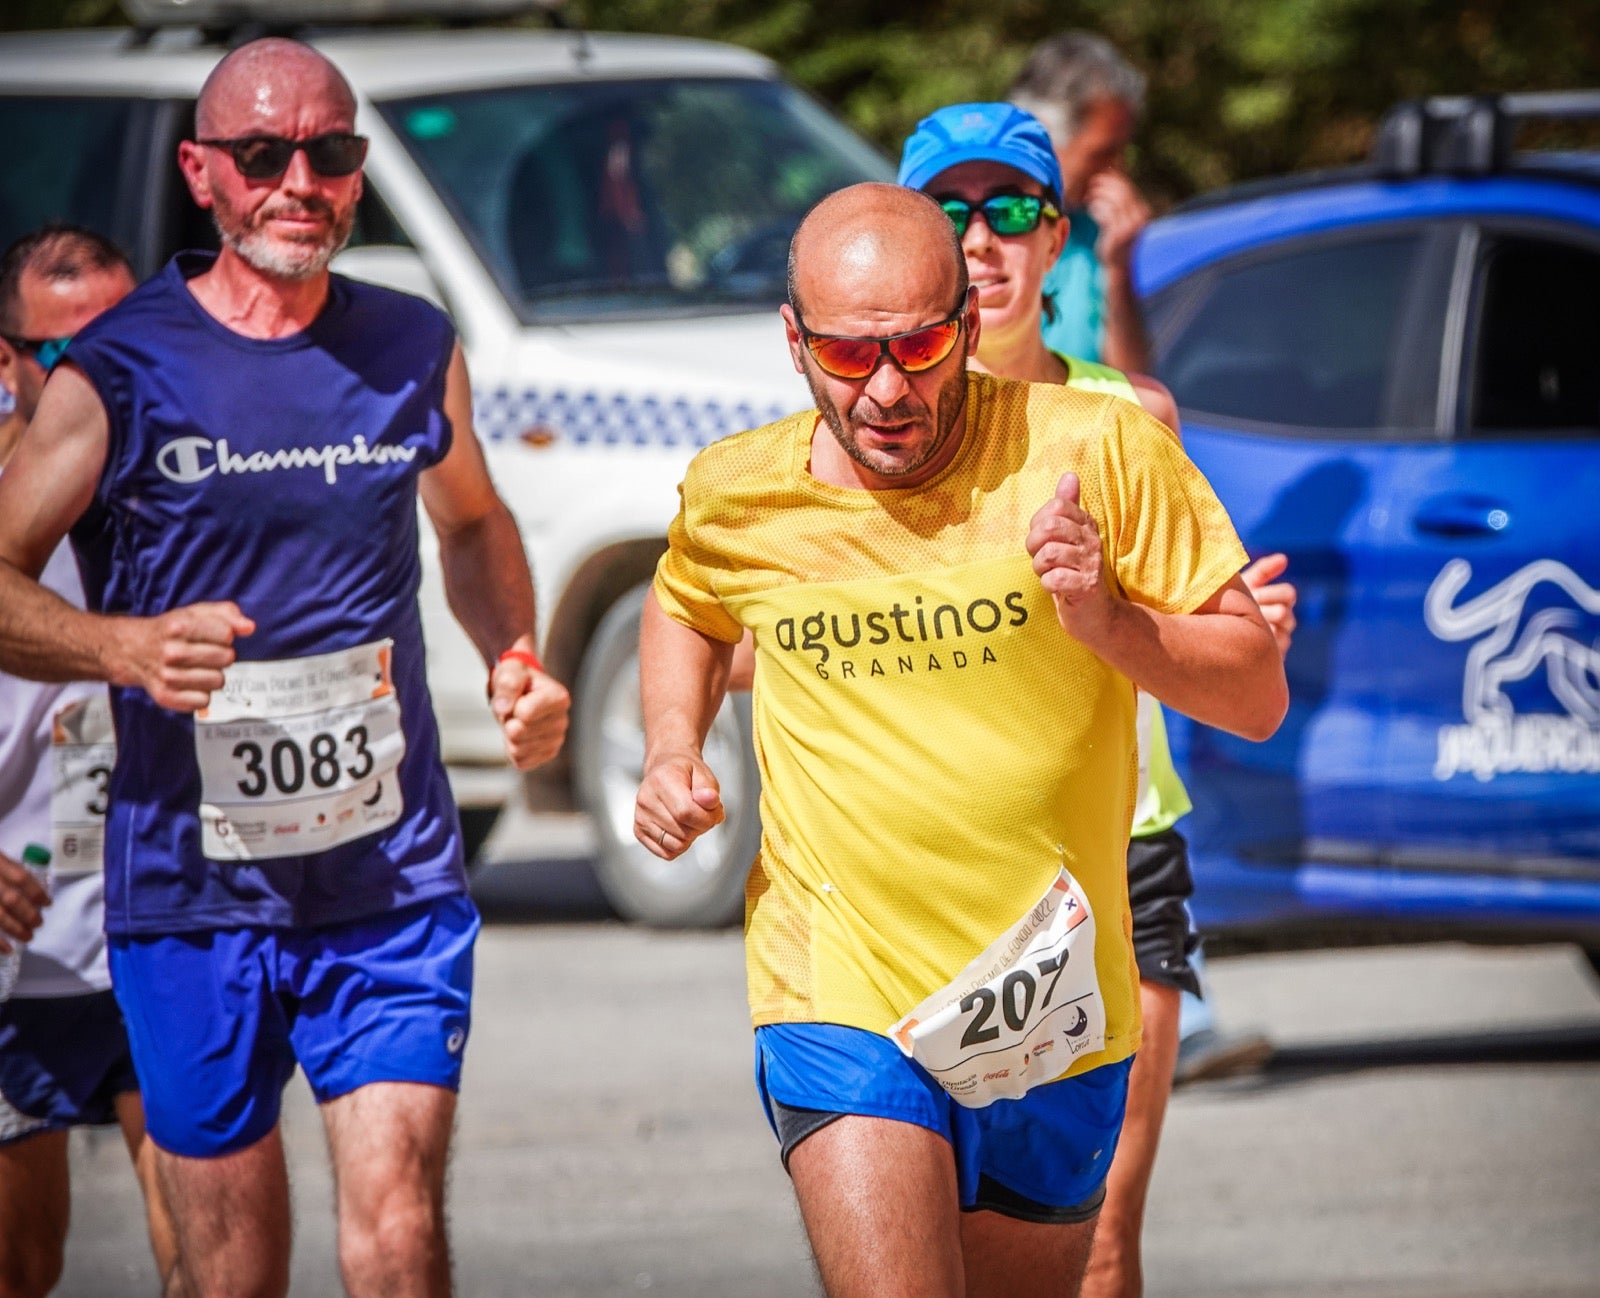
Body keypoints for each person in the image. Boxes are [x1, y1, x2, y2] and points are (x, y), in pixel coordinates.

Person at [634, 179, 1287, 1298]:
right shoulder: (737, 494)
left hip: (1051, 1003)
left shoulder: (1098, 450)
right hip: (837, 988)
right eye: (849, 355)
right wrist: (669, 743)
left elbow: (1256, 693)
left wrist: (1110, 621)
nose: (888, 389)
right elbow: (684, 604)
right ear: (793, 341)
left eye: (921, 347)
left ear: (970, 324)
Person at [0, 39, 570, 1298]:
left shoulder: (412, 342)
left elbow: (473, 523)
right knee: (233, 1268)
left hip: (390, 877)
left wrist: (514, 654)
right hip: (191, 893)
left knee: (398, 1233)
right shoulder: (118, 369)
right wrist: (122, 646)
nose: (299, 182)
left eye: (330, 152)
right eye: (262, 155)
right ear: (202, 173)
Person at [897, 102, 1295, 1298]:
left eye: (1011, 209)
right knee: (945, 1246)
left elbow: (1216, 631)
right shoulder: (874, 434)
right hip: (941, 860)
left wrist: (1239, 632)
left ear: (1055, 236)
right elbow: (781, 635)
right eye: (947, 211)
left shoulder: (1133, 417)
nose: (980, 237)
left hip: (1125, 849)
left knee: (1102, 1238)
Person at [0, 224, 183, 1297]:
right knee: (22, 1263)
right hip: (18, 952)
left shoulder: (188, 482)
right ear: (8, 360)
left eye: (130, 340)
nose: (105, 375)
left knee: (205, 1255)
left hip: (160, 926)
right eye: (71, 351)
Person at [1009, 31, 1157, 376]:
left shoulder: (1095, 233)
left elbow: (1132, 384)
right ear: (1043, 138)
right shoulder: (975, 226)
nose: (1117, 169)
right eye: (1103, 153)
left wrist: (1118, 270)